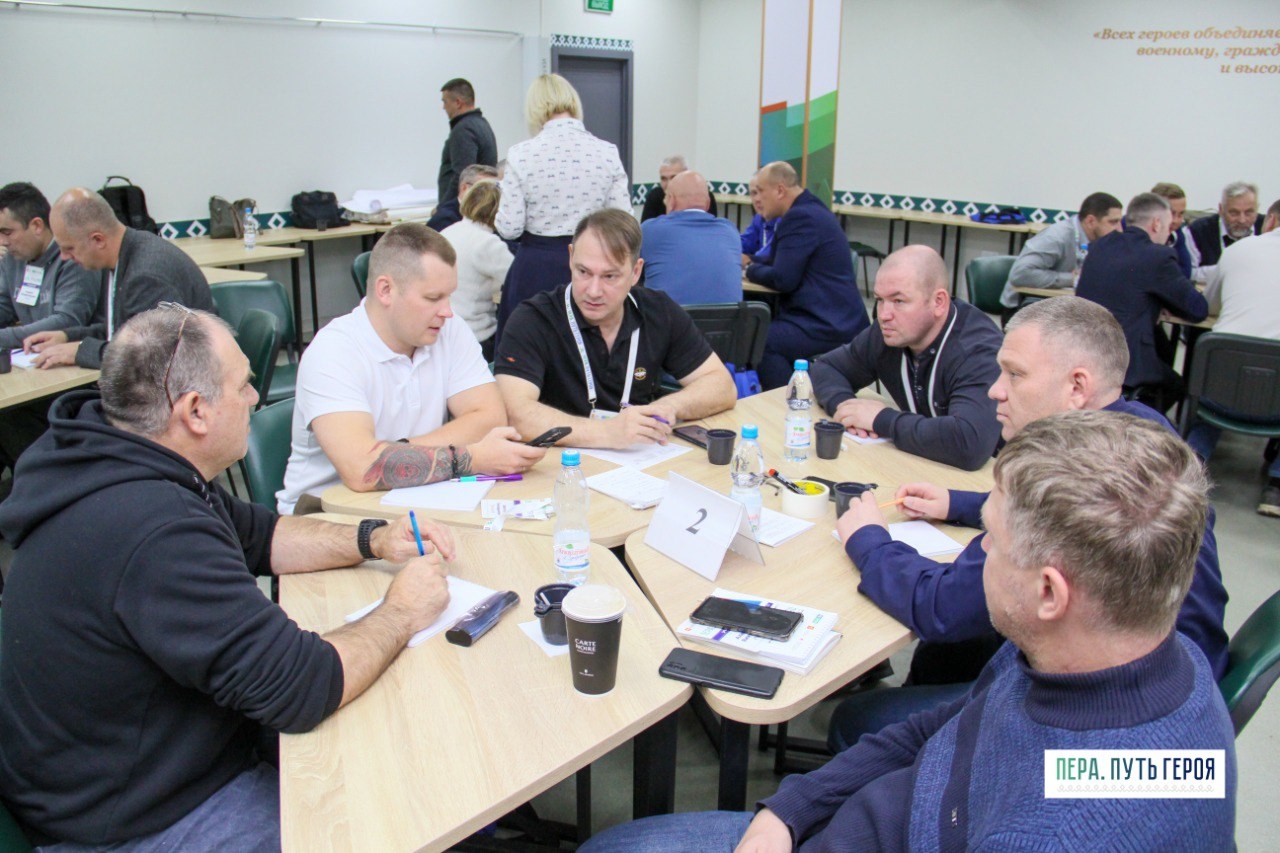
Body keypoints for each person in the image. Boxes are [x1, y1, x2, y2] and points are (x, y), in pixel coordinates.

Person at [581, 409, 1237, 852]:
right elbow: (943, 728)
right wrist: (791, 809)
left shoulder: (1057, 829)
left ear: (1049, 592)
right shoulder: (1117, 654)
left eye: (991, 540)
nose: (978, 551)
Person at [0, 305, 456, 847]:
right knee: (374, 823)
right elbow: (301, 687)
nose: (255, 398)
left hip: (133, 761)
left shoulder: (123, 453)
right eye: (242, 386)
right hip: (135, 816)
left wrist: (373, 538)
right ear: (195, 411)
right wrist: (402, 611)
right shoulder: (153, 529)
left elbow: (261, 536)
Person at [825, 296, 1228, 750]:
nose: (995, 391)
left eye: (1014, 375)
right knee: (955, 649)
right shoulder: (1138, 436)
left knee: (863, 719)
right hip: (1181, 682)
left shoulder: (1064, 479)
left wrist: (869, 540)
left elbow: (939, 606)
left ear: (1077, 387)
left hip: (1116, 723)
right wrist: (958, 502)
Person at [278, 222, 543, 514]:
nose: (447, 311)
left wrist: (397, 453)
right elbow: (362, 469)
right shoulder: (333, 352)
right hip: (325, 515)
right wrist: (470, 457)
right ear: (386, 290)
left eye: (449, 296)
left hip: (414, 499)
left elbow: (490, 418)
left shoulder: (449, 329)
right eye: (432, 298)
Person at [495, 209, 736, 449]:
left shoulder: (658, 311)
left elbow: (722, 385)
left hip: (637, 459)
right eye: (583, 272)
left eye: (610, 276)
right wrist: (607, 432)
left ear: (635, 272)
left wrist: (668, 407)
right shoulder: (533, 319)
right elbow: (515, 414)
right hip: (560, 462)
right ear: (570, 257)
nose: (593, 291)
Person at [811, 245, 1002, 471]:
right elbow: (827, 367)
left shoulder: (977, 350)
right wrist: (848, 410)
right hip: (927, 465)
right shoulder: (890, 333)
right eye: (879, 299)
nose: (883, 315)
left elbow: (969, 444)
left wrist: (881, 419)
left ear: (938, 302)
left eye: (898, 301)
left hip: (1001, 477)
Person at [494, 73, 630, 338]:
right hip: (593, 266)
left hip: (536, 268)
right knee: (590, 347)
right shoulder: (606, 152)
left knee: (529, 347)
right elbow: (624, 222)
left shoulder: (521, 154)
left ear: (533, 108)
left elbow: (509, 228)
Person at [23, 187, 212, 370]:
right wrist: (67, 336)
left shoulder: (145, 275)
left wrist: (81, 351)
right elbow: (120, 330)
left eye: (69, 248)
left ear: (98, 240)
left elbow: (152, 356)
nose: (64, 257)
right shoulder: (123, 255)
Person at [0, 182, 101, 478]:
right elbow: (4, 307)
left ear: (36, 225)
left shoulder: (71, 256)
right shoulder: (13, 260)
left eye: (7, 232)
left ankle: (41, 482)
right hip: (36, 368)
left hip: (76, 376)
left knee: (8, 417)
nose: (3, 242)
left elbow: (66, 321)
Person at [1190, 197, 1280, 517]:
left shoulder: (1239, 250)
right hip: (1277, 407)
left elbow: (1209, 306)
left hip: (1221, 393)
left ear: (1270, 220)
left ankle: (1190, 464)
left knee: (1212, 389)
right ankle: (1276, 486)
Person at [744, 161, 869, 389]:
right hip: (837, 317)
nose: (757, 199)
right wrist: (752, 260)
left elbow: (783, 279)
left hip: (829, 322)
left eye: (760, 191)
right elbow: (782, 259)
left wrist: (750, 270)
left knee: (761, 341)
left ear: (780, 190)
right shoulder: (810, 208)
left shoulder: (799, 217)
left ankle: (786, 402)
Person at [1076, 192, 1207, 409]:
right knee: (1176, 384)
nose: (1169, 234)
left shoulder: (1099, 246)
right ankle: (1136, 424)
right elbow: (1197, 309)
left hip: (1082, 351)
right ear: (1156, 224)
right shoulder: (1158, 256)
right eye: (1168, 227)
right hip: (1126, 362)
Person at [999, 191, 1122, 310]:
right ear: (1090, 221)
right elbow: (1021, 274)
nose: (1119, 229)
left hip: (1061, 307)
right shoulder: (1056, 237)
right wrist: (1073, 279)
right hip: (1023, 308)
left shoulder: (1101, 240)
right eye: (1113, 222)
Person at [639, 170, 741, 305]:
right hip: (727, 319)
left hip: (668, 318)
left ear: (671, 201)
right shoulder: (731, 231)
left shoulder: (650, 230)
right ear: (708, 203)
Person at [441, 180, 513, 361]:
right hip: (476, 334)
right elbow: (516, 279)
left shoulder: (446, 232)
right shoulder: (488, 243)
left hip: (444, 330)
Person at [436, 77, 497, 210]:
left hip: (460, 210)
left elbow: (462, 175)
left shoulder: (463, 130)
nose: (443, 107)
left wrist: (443, 209)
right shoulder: (482, 124)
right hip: (480, 206)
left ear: (458, 102)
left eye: (445, 102)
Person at [1187, 180, 1265, 283]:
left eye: (1248, 213)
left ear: (1257, 209)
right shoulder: (1198, 230)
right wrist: (1228, 269)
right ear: (1221, 209)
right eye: (1234, 213)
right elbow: (1189, 272)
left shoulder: (1268, 228)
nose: (1242, 220)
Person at [639, 155, 717, 222]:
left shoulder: (702, 197)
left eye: (673, 177)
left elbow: (710, 226)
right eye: (663, 179)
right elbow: (645, 229)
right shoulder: (654, 196)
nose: (669, 184)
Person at [428, 162, 499, 233]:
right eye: (484, 189)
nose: (494, 193)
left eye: (498, 188)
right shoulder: (445, 218)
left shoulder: (495, 214)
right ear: (464, 188)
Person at [1151, 180, 1194, 278]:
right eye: (1171, 213)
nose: (1176, 221)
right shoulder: (1130, 229)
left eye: (1181, 214)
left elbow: (1186, 272)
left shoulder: (1176, 234)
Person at [739, 172, 777, 260]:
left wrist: (749, 260)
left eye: (762, 192)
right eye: (754, 193)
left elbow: (770, 255)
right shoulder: (759, 218)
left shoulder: (787, 219)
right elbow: (746, 243)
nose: (757, 199)